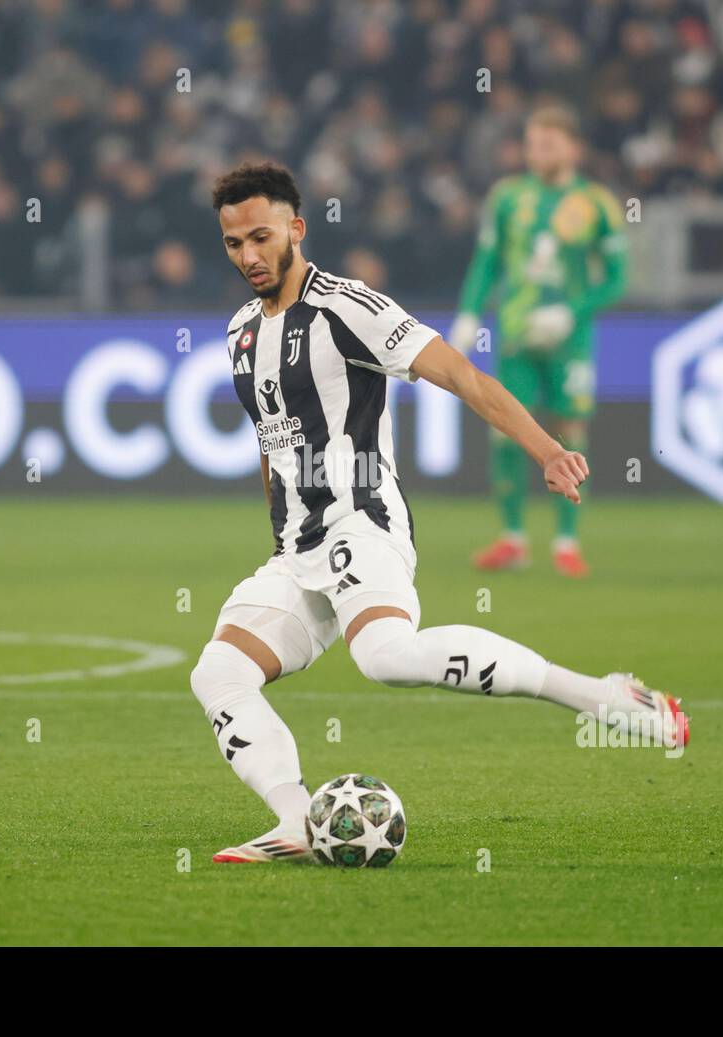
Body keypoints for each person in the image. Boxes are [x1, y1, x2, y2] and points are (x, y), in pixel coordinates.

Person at [196, 161, 683, 864]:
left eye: (261, 237)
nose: (248, 256)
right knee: (216, 672)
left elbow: (461, 373)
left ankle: (599, 695)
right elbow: (272, 443)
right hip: (295, 550)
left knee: (386, 656)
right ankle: (298, 820)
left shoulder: (348, 307)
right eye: (234, 243)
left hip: (363, 525)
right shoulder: (241, 331)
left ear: (297, 230)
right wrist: (280, 531)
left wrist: (547, 449)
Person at [451, 103, 630, 577]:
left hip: (569, 341)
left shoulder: (596, 203)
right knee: (506, 433)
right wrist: (469, 315)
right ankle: (513, 540)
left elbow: (617, 279)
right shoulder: (508, 197)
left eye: (548, 143)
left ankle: (566, 543)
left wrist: (570, 312)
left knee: (569, 432)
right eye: (532, 143)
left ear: (573, 147)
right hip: (515, 335)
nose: (538, 152)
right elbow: (486, 262)